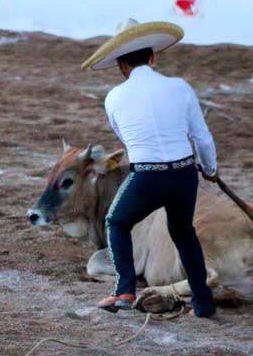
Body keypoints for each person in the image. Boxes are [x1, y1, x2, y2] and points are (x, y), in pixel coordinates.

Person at [81, 19, 218, 319]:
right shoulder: (180, 87)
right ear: (153, 56)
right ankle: (203, 303)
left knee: (116, 222)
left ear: (121, 64)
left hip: (147, 176)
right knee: (183, 232)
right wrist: (209, 168)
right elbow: (202, 138)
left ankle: (125, 288)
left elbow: (127, 137)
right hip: (184, 173)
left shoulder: (114, 97)